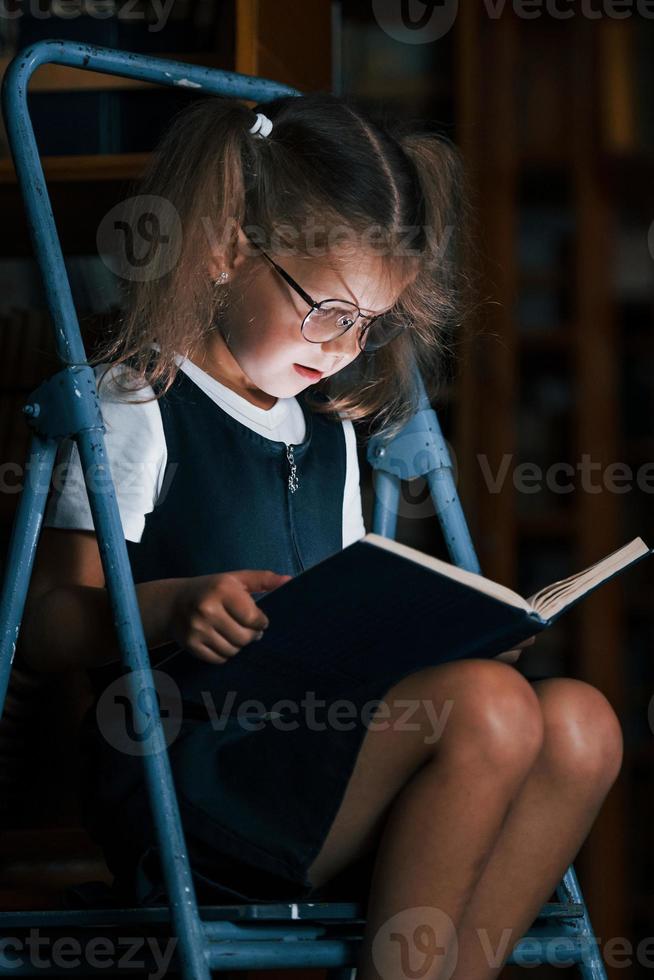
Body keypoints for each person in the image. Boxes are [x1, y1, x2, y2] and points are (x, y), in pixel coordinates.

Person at [19, 92, 623, 980]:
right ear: (229, 250)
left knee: (581, 723)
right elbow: (38, 627)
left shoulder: (332, 435)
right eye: (328, 310)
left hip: (314, 753)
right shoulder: (138, 402)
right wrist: (168, 606)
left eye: (370, 325)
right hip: (189, 774)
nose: (343, 348)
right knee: (486, 709)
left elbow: (340, 627)